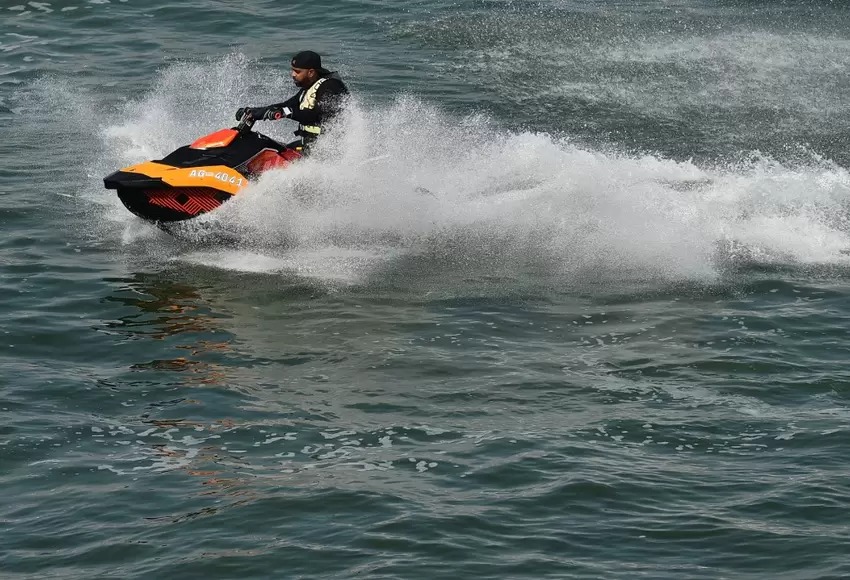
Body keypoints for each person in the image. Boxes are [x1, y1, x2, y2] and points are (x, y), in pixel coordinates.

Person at [236, 51, 349, 152]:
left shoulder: (331, 87)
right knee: (269, 150)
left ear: (311, 72)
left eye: (297, 71)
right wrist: (254, 112)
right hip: (311, 145)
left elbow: (315, 115)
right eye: (292, 70)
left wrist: (286, 112)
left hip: (328, 150)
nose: (293, 74)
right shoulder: (309, 88)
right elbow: (285, 105)